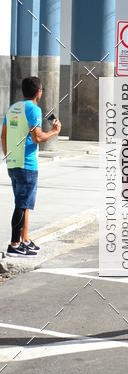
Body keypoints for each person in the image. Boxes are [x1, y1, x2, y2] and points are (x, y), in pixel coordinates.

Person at [2, 76, 61, 257]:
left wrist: (8, 155)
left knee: (24, 203)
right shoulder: (34, 109)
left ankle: (25, 239)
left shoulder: (13, 108)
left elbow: (3, 135)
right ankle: (14, 244)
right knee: (21, 203)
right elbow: (37, 137)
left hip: (13, 162)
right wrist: (54, 131)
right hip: (27, 164)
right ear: (39, 92)